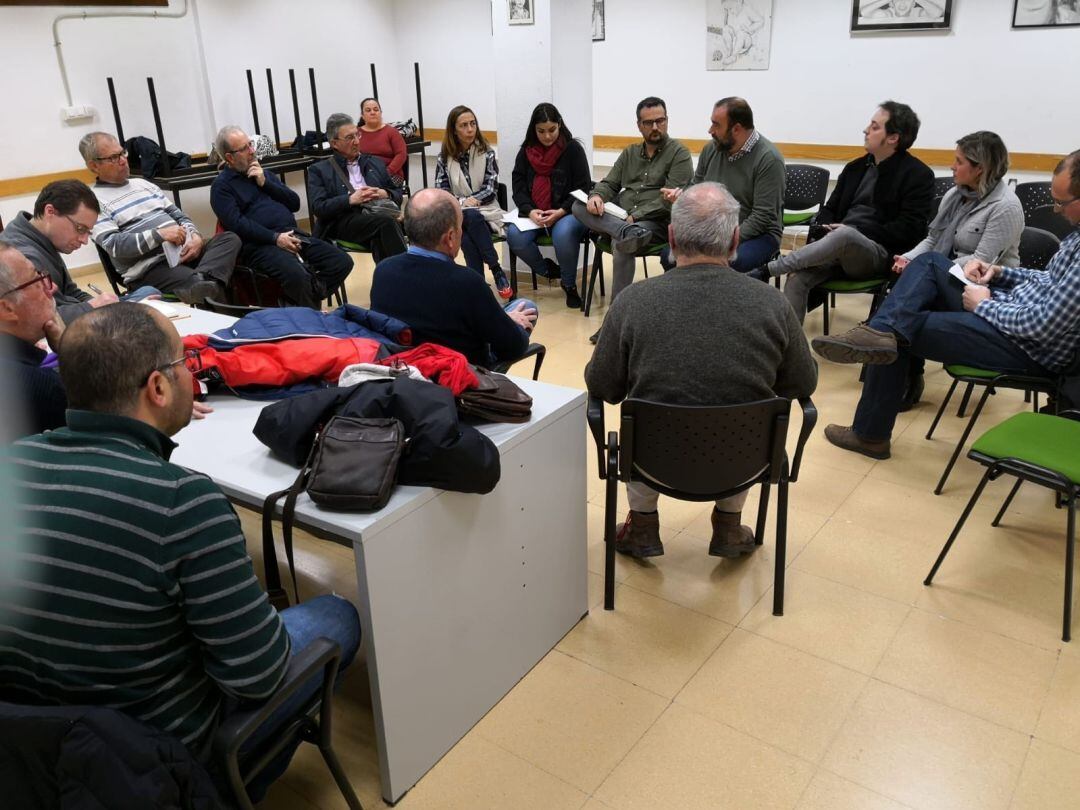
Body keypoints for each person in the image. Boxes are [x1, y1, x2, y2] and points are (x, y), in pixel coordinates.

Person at [1, 302, 362, 801]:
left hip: (33, 749)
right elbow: (258, 677)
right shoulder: (182, 500)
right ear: (158, 387)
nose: (191, 375)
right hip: (156, 765)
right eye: (183, 365)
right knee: (338, 616)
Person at [585, 183, 817, 558]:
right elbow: (803, 382)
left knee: (642, 417)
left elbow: (602, 386)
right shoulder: (773, 304)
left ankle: (642, 527)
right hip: (745, 461)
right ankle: (728, 527)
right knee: (747, 409)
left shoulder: (633, 302)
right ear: (736, 239)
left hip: (652, 461)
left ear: (672, 237)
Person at [811, 150, 1080, 461]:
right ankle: (879, 334)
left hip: (1028, 345)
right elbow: (1049, 280)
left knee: (900, 329)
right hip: (1009, 311)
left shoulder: (1006, 206)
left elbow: (1044, 326)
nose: (1057, 210)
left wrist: (984, 306)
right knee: (929, 264)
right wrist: (1000, 273)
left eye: (1062, 202)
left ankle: (869, 435)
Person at [750, 101, 935, 323]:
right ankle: (790, 352)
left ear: (893, 138)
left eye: (875, 127)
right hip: (836, 247)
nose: (866, 130)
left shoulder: (918, 175)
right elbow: (830, 209)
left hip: (878, 254)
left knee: (846, 235)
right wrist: (826, 225)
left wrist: (855, 230)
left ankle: (768, 269)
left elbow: (909, 229)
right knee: (798, 279)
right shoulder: (854, 168)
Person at [891, 131, 1024, 410]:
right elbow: (932, 239)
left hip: (985, 290)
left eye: (959, 161)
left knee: (909, 306)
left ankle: (905, 377)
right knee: (904, 295)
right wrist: (908, 258)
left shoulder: (1006, 207)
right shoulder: (954, 194)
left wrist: (928, 268)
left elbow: (981, 262)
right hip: (944, 275)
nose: (952, 166)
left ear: (980, 169)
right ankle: (900, 374)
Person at [371, 188, 538, 367]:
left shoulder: (383, 271)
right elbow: (513, 347)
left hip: (405, 371)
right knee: (528, 307)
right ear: (450, 237)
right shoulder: (467, 282)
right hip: (463, 377)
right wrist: (513, 325)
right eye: (461, 228)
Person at [572, 96, 693, 341]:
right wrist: (597, 196)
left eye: (660, 121)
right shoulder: (629, 153)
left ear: (667, 120)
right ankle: (624, 231)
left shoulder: (679, 153)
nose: (656, 127)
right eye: (649, 123)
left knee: (621, 245)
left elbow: (668, 199)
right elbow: (610, 183)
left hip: (655, 222)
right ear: (639, 125)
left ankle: (614, 323)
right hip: (623, 220)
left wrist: (636, 215)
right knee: (578, 206)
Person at [79, 132, 240, 305]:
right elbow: (115, 245)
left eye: (122, 153)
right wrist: (159, 235)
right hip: (150, 268)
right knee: (211, 282)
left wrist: (195, 237)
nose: (123, 160)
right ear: (94, 166)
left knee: (229, 239)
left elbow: (179, 216)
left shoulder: (144, 184)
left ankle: (201, 280)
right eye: (113, 158)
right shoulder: (93, 201)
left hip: (184, 252)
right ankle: (204, 286)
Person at [211, 125, 353, 309]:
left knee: (341, 261)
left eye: (250, 145)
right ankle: (311, 322)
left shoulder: (263, 173)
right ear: (229, 157)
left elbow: (294, 203)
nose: (252, 151)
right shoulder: (221, 187)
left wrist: (265, 183)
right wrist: (275, 238)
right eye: (244, 149)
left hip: (293, 235)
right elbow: (237, 224)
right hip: (260, 246)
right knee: (298, 277)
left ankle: (306, 299)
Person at [660, 97, 784, 273]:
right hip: (711, 231)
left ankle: (725, 300)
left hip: (757, 235)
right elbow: (697, 185)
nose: (710, 130)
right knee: (669, 256)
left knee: (731, 263)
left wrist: (723, 239)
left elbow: (762, 217)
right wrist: (683, 197)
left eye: (716, 125)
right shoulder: (712, 149)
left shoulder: (769, 159)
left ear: (737, 129)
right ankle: (688, 300)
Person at [1, 180, 131, 323]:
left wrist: (106, 306)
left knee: (147, 293)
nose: (84, 240)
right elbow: (41, 319)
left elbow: (70, 291)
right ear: (50, 212)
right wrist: (92, 306)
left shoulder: (40, 238)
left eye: (88, 232)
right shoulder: (22, 257)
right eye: (80, 229)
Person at [506, 102, 592, 308]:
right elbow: (518, 187)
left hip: (567, 211)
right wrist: (530, 210)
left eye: (552, 130)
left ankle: (569, 285)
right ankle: (547, 270)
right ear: (533, 129)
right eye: (541, 131)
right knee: (514, 235)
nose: (547, 136)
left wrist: (561, 210)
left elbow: (584, 188)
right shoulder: (526, 152)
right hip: (536, 212)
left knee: (562, 234)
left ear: (560, 125)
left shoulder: (573, 149)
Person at [435, 106, 513, 300]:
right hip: (458, 211)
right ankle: (496, 269)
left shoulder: (487, 152)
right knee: (469, 218)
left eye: (473, 124)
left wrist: (474, 200)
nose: (470, 129)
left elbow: (491, 187)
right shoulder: (444, 157)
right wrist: (462, 202)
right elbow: (442, 191)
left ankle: (478, 284)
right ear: (454, 130)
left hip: (486, 209)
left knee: (469, 227)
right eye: (464, 125)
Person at [307, 112, 407, 262]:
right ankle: (406, 273)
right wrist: (350, 200)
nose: (356, 142)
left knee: (419, 221)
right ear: (334, 143)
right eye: (349, 138)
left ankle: (390, 279)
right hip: (343, 220)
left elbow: (397, 193)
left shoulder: (374, 162)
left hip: (376, 215)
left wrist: (384, 193)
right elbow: (319, 208)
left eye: (357, 135)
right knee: (386, 223)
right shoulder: (319, 170)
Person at [0, 242, 67, 437]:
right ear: (6, 309)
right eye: (36, 281)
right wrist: (68, 349)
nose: (51, 288)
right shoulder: (42, 388)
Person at [357, 97, 408, 184]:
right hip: (363, 175)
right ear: (362, 115)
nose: (372, 112)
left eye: (376, 110)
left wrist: (387, 172)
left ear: (380, 113)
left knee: (372, 190)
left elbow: (401, 154)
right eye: (368, 110)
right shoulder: (356, 133)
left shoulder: (392, 132)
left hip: (390, 175)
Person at [859, 0, 946, 19]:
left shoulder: (917, 12)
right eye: (897, 0)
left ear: (913, 4)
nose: (902, 3)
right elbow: (864, 13)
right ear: (891, 4)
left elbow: (937, 13)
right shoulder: (888, 14)